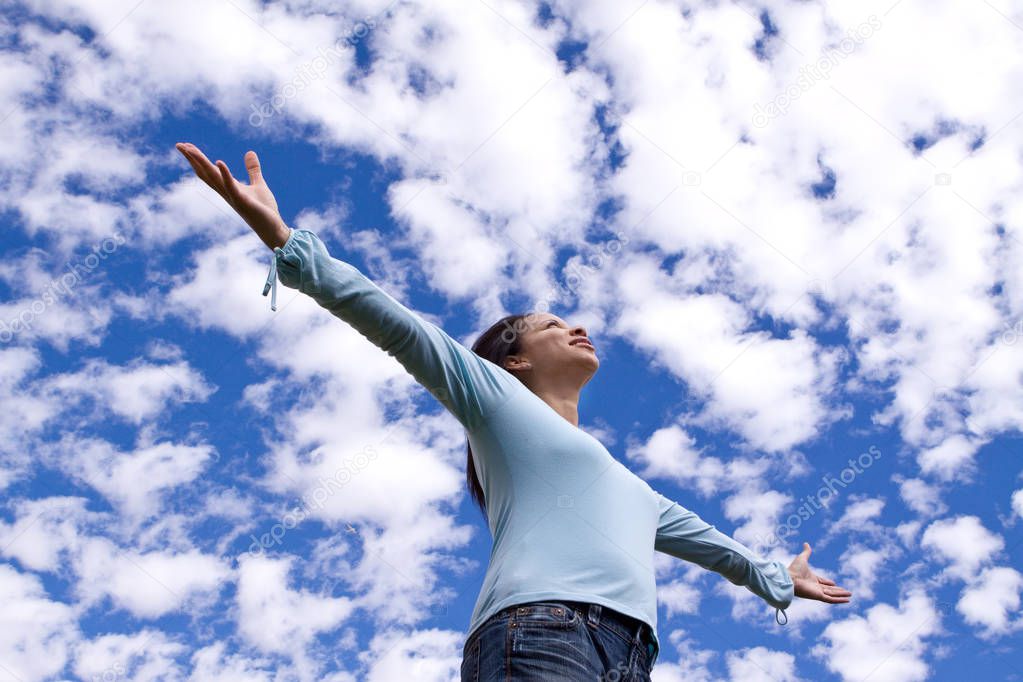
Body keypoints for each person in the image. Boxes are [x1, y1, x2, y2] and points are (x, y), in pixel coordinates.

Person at [175, 143, 853, 681]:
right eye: (551, 325)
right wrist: (288, 242)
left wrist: (774, 578)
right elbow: (402, 327)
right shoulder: (496, 401)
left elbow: (714, 547)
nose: (575, 328)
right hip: (541, 633)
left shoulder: (633, 490)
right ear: (515, 360)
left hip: (628, 656)